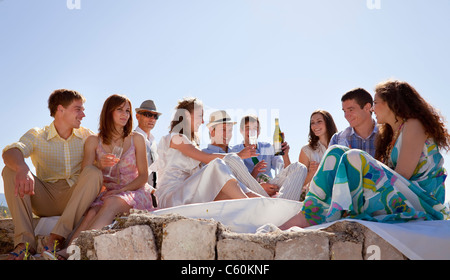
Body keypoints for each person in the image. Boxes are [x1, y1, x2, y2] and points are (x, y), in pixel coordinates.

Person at [280, 80, 450, 229]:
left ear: (392, 103)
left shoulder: (413, 125)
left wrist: (360, 170)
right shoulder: (391, 134)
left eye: (376, 103)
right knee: (336, 151)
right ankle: (309, 213)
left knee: (353, 156)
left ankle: (323, 214)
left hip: (421, 199)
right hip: (401, 192)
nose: (373, 108)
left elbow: (403, 175)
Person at [2, 89, 102, 260]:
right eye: (78, 109)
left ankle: (56, 238)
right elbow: (10, 151)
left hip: (75, 198)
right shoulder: (38, 134)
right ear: (60, 109)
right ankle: (25, 244)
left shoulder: (87, 135)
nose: (83, 114)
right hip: (44, 198)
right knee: (10, 169)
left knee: (93, 172)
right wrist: (22, 168)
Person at [66, 94, 155, 251]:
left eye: (127, 111)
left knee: (111, 202)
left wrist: (122, 190)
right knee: (93, 212)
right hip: (108, 193)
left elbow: (143, 177)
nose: (125, 114)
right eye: (119, 110)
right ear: (109, 112)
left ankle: (77, 249)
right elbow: (85, 175)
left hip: (135, 192)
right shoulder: (93, 141)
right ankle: (66, 251)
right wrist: (99, 164)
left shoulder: (137, 139)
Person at [154, 98, 269, 209]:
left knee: (229, 193)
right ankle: (251, 206)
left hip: (189, 195)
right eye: (200, 116)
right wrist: (239, 155)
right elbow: (207, 157)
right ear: (187, 116)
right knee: (217, 164)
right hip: (172, 198)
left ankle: (266, 203)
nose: (203, 121)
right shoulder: (176, 138)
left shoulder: (190, 143)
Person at [231, 115, 307, 201]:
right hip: (250, 188)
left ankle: (281, 201)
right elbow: (236, 182)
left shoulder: (267, 147)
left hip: (271, 184)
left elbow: (284, 171)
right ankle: (282, 202)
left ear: (259, 131)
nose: (252, 131)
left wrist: (285, 155)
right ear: (241, 130)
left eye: (255, 128)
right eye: (248, 128)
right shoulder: (235, 151)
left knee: (299, 167)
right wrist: (257, 180)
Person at [298, 110, 338, 200]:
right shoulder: (306, 150)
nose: (315, 126)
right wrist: (311, 172)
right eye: (312, 123)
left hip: (338, 196)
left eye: (319, 121)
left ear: (328, 123)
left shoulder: (340, 145)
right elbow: (299, 183)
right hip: (315, 199)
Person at [329, 88, 378, 157]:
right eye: (344, 111)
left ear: (367, 107)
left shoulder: (388, 134)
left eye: (351, 110)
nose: (346, 116)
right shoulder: (337, 140)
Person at [134, 99, 161, 206]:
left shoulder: (155, 143)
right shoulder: (131, 139)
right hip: (136, 195)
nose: (152, 119)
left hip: (153, 198)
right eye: (147, 114)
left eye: (155, 116)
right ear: (137, 116)